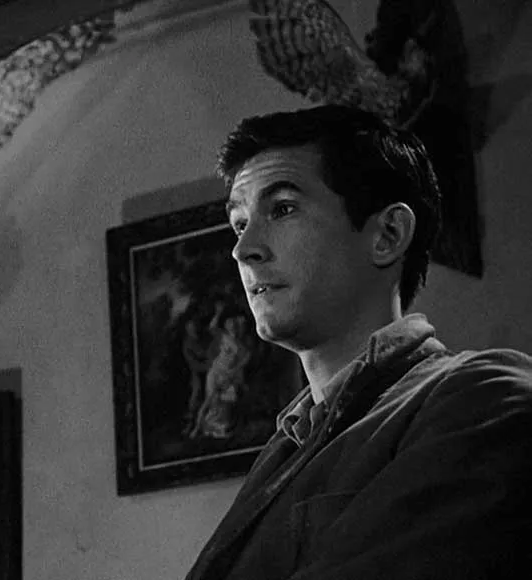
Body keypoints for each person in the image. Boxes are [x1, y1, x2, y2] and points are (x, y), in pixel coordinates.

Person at [184, 104, 532, 580]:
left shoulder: (484, 396)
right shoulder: (285, 447)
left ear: (388, 234)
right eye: (240, 223)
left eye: (282, 209)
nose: (243, 249)